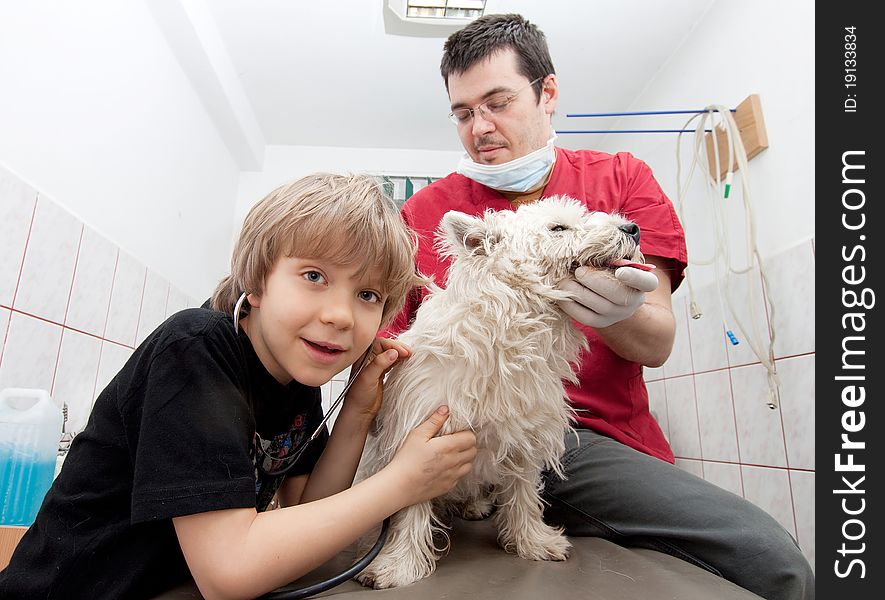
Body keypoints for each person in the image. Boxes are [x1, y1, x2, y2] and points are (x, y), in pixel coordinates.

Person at [383, 14, 814, 600]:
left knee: (772, 560)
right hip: (454, 429)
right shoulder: (428, 214)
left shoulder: (620, 180)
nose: (480, 127)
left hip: (587, 437)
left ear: (547, 92)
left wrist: (614, 314)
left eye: (498, 102)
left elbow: (658, 341)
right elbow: (389, 348)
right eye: (463, 112)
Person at [0, 173, 478, 600]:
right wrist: (401, 483)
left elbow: (307, 509)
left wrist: (356, 412)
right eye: (314, 276)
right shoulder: (196, 349)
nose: (340, 315)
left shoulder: (293, 376)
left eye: (367, 295)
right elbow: (229, 571)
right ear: (257, 281)